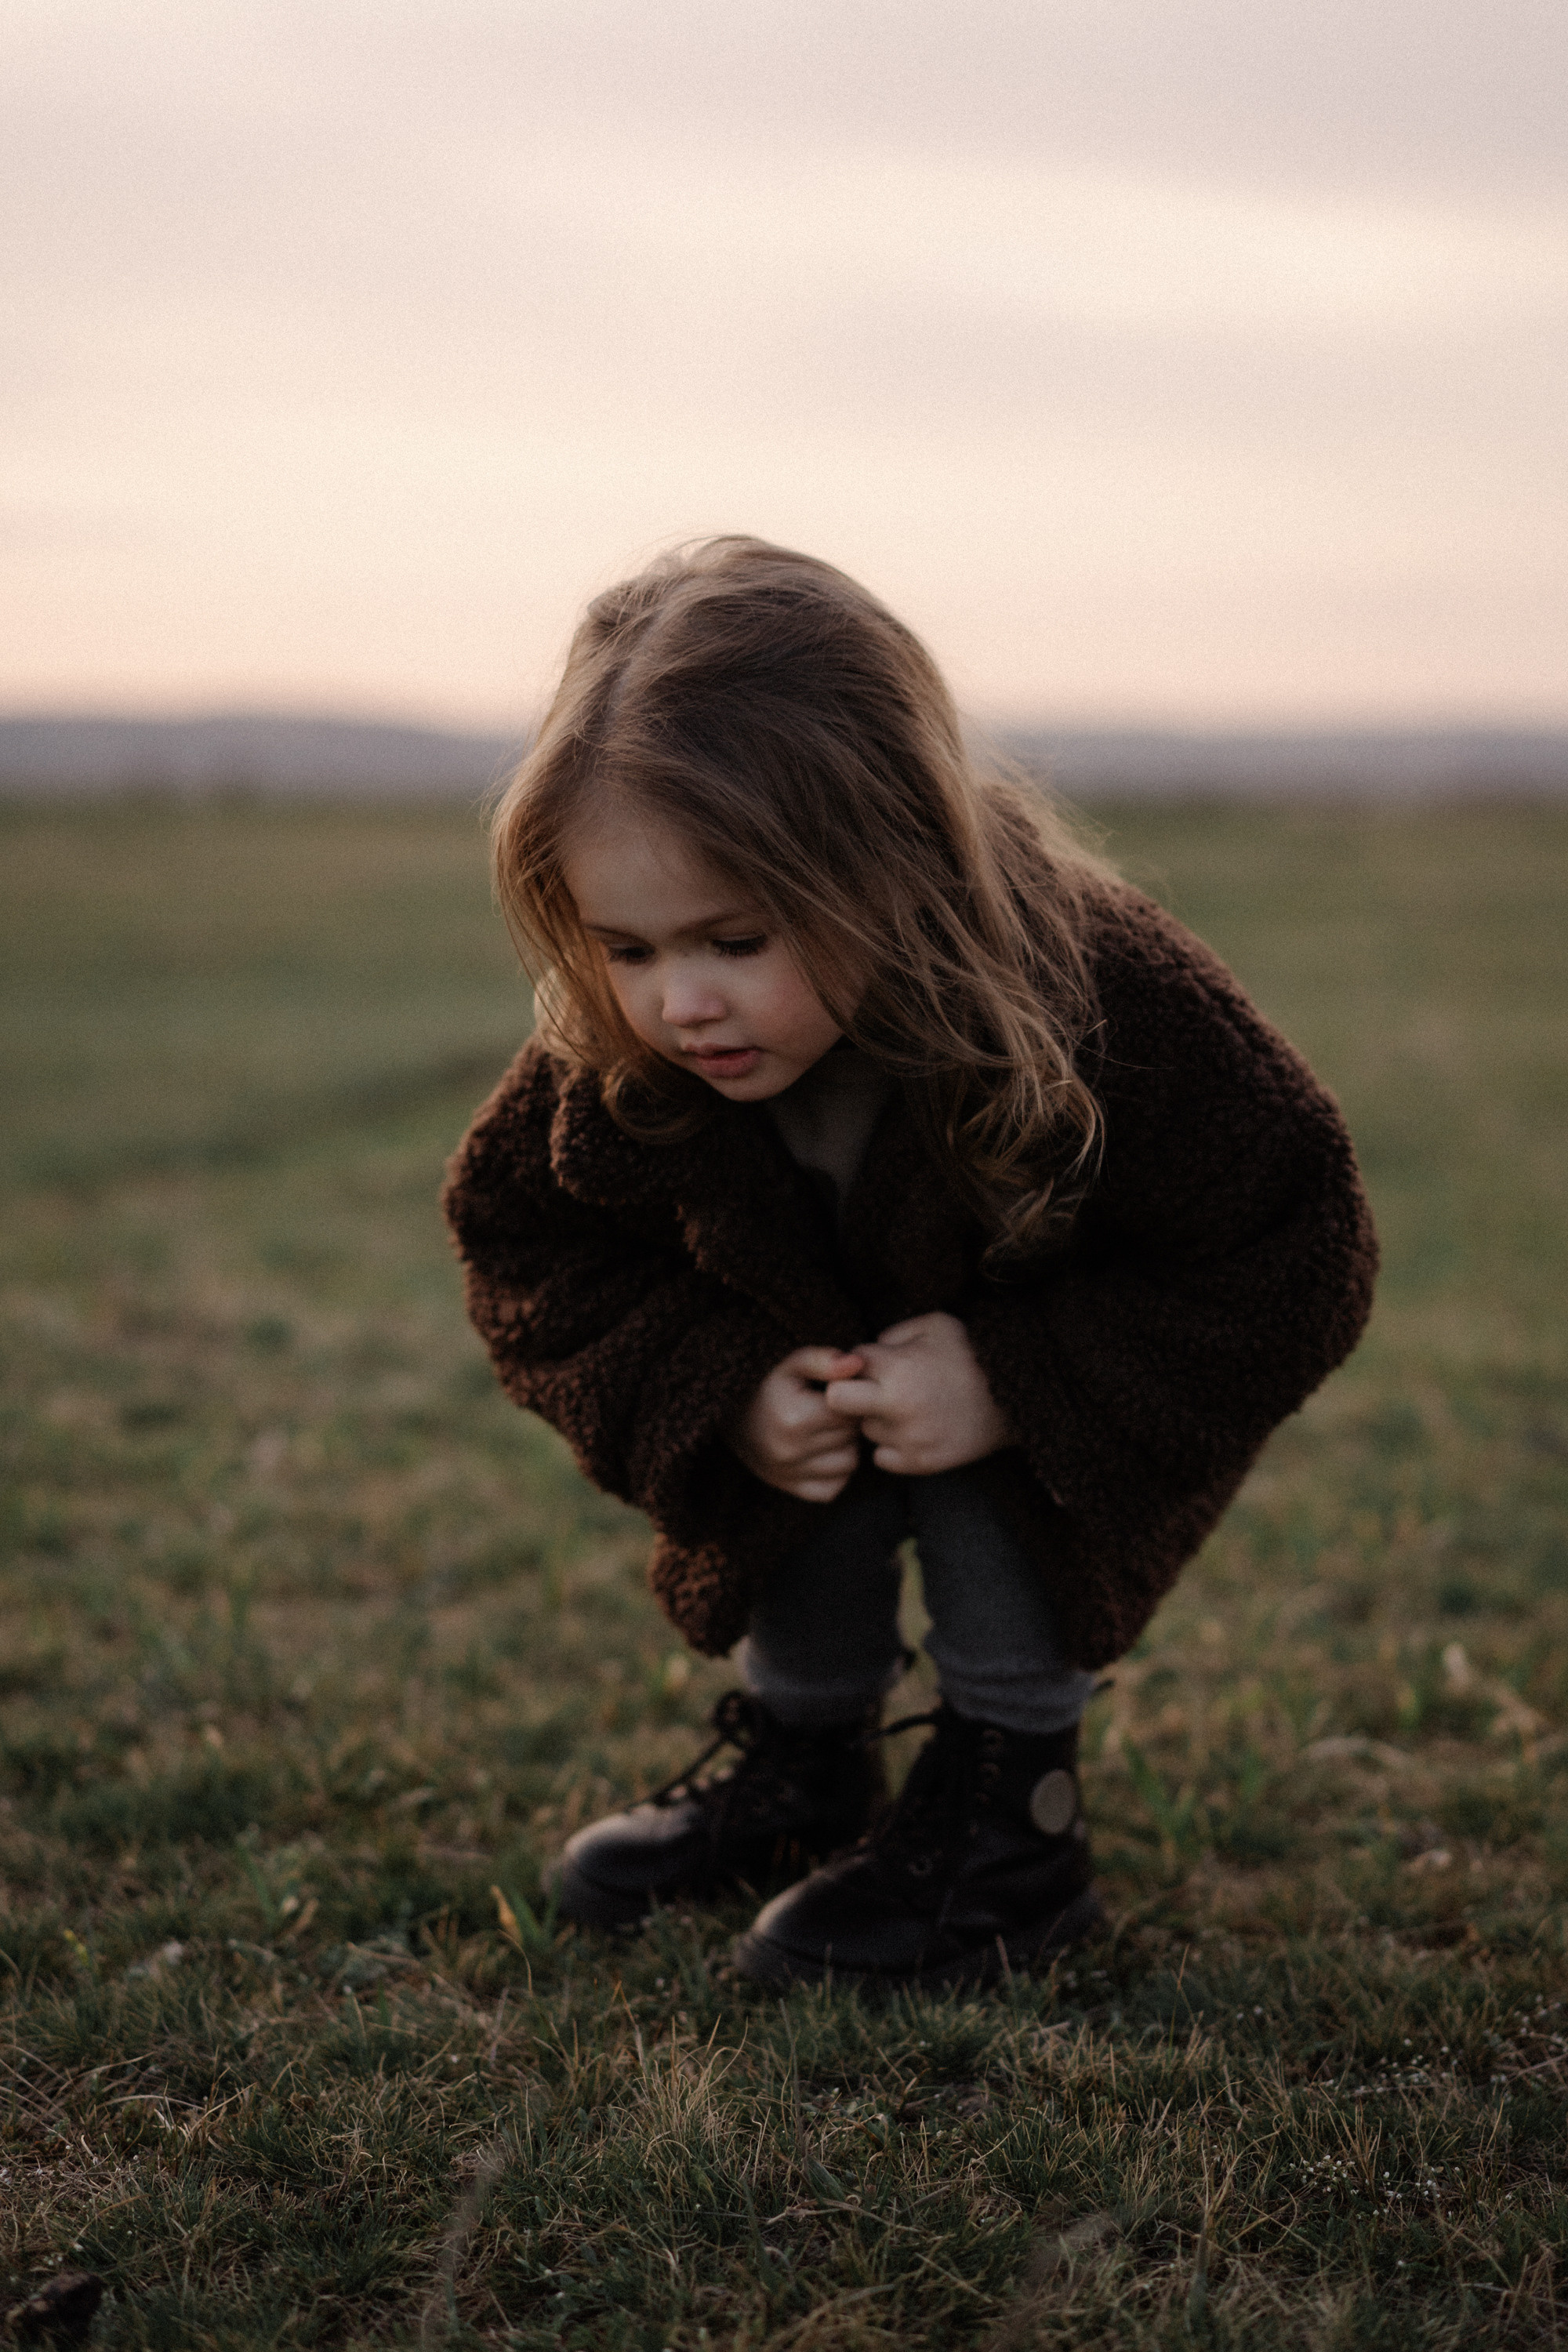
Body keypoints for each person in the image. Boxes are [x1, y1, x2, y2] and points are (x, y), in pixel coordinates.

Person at [442, 536, 1377, 1990]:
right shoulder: (613, 1054)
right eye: (626, 949)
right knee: (810, 1410)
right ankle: (809, 1762)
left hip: (1037, 1424)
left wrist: (1016, 1380)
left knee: (976, 1446)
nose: (680, 1002)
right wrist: (720, 1387)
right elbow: (521, 1243)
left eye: (735, 938)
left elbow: (1297, 1245)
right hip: (825, 1397)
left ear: (894, 859)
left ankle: (1016, 1819)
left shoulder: (1101, 997)